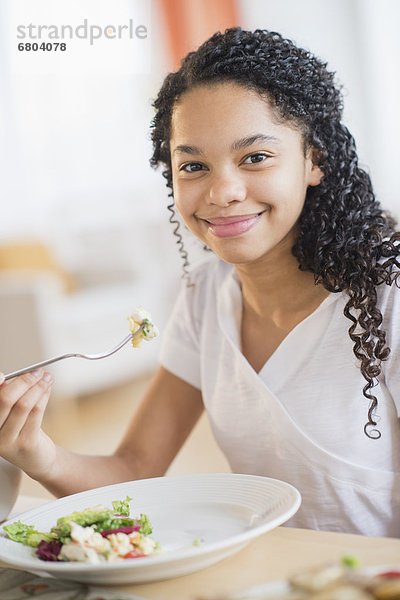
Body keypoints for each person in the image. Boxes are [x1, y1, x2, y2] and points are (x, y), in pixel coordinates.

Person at [1, 27, 399, 537]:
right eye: (193, 166)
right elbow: (134, 474)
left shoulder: (389, 293)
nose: (222, 191)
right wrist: (38, 452)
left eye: (255, 157)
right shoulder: (204, 296)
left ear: (314, 160)